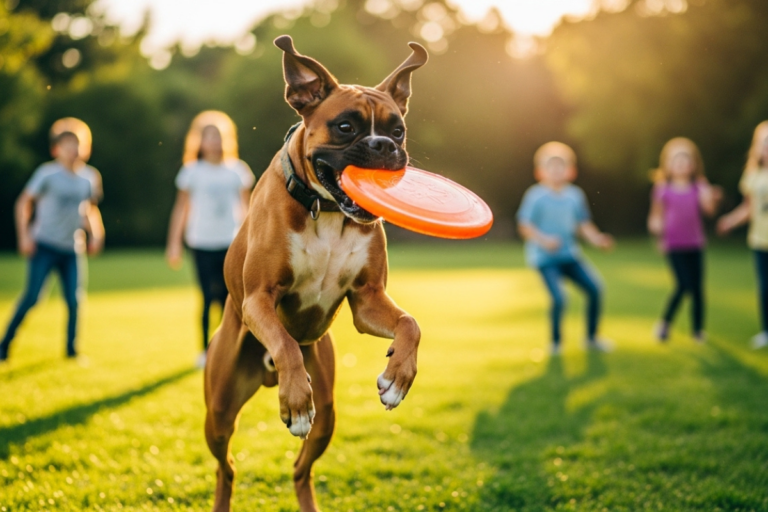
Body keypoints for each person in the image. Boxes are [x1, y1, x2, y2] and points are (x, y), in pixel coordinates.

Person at [0, 130, 104, 362]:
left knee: (74, 300)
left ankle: (71, 351)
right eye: (67, 145)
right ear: (56, 149)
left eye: (77, 145)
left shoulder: (89, 177)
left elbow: (89, 209)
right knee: (33, 297)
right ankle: (4, 345)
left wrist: (96, 233)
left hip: (72, 248)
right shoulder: (47, 174)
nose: (73, 150)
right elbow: (23, 202)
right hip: (45, 245)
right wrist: (24, 235)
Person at [166, 111, 254, 368]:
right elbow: (181, 209)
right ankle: (205, 351)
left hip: (231, 244)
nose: (214, 141)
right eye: (209, 136)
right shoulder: (191, 172)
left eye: (219, 136)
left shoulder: (238, 170)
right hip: (201, 243)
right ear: (199, 141)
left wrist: (253, 241)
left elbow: (248, 210)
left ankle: (233, 347)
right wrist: (174, 244)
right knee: (207, 298)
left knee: (232, 298)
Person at [516, 142, 614, 356]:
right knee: (560, 298)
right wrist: (544, 240)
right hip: (545, 259)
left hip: (570, 256)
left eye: (561, 166)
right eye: (551, 166)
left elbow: (582, 224)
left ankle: (591, 339)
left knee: (595, 289)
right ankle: (556, 344)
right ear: (540, 171)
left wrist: (597, 239)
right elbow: (524, 226)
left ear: (571, 171)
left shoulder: (575, 196)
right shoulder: (535, 196)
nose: (556, 170)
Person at [647, 138, 721, 344]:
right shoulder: (663, 189)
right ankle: (665, 323)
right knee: (683, 285)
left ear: (693, 165)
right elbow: (655, 216)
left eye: (685, 160)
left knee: (697, 289)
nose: (681, 164)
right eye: (676, 160)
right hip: (673, 245)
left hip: (695, 243)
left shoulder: (699, 186)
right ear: (668, 165)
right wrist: (655, 228)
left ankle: (697, 331)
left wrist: (712, 198)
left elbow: (709, 211)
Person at [717, 121, 768, 349]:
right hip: (759, 240)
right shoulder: (752, 175)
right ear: (757, 147)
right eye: (764, 142)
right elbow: (748, 208)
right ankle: (766, 332)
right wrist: (730, 220)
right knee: (764, 288)